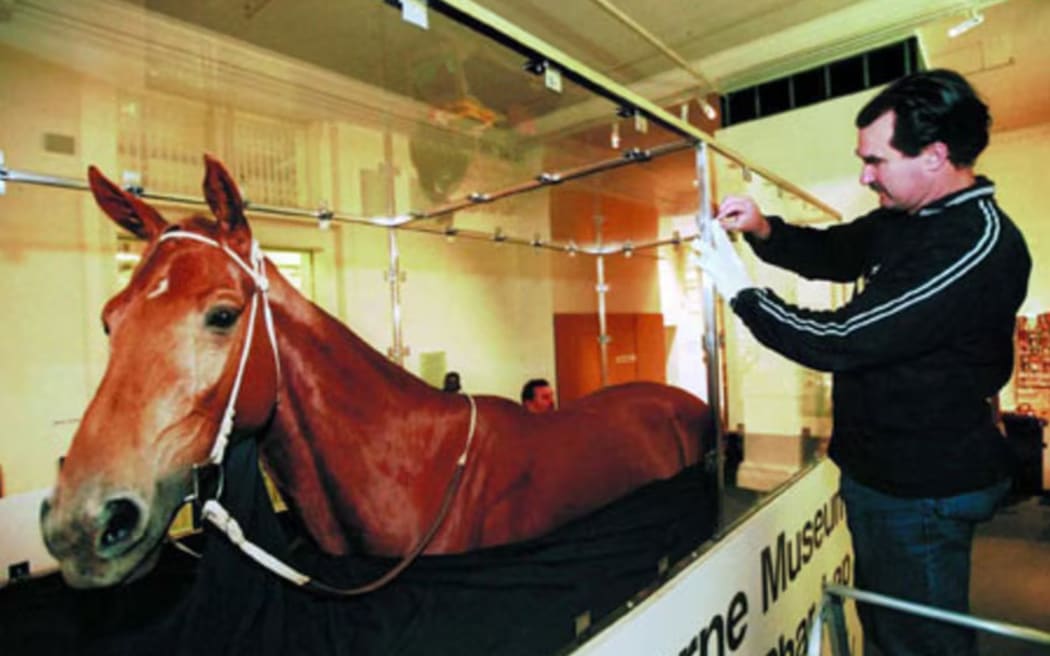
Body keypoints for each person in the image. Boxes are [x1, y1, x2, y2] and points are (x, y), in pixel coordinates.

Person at [695, 69, 1031, 656]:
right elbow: (839, 250)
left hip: (921, 489)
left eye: (875, 160)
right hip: (887, 475)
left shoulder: (973, 243)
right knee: (889, 623)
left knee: (918, 641)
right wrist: (765, 230)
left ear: (934, 156)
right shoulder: (910, 216)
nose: (864, 175)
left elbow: (842, 337)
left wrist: (742, 293)